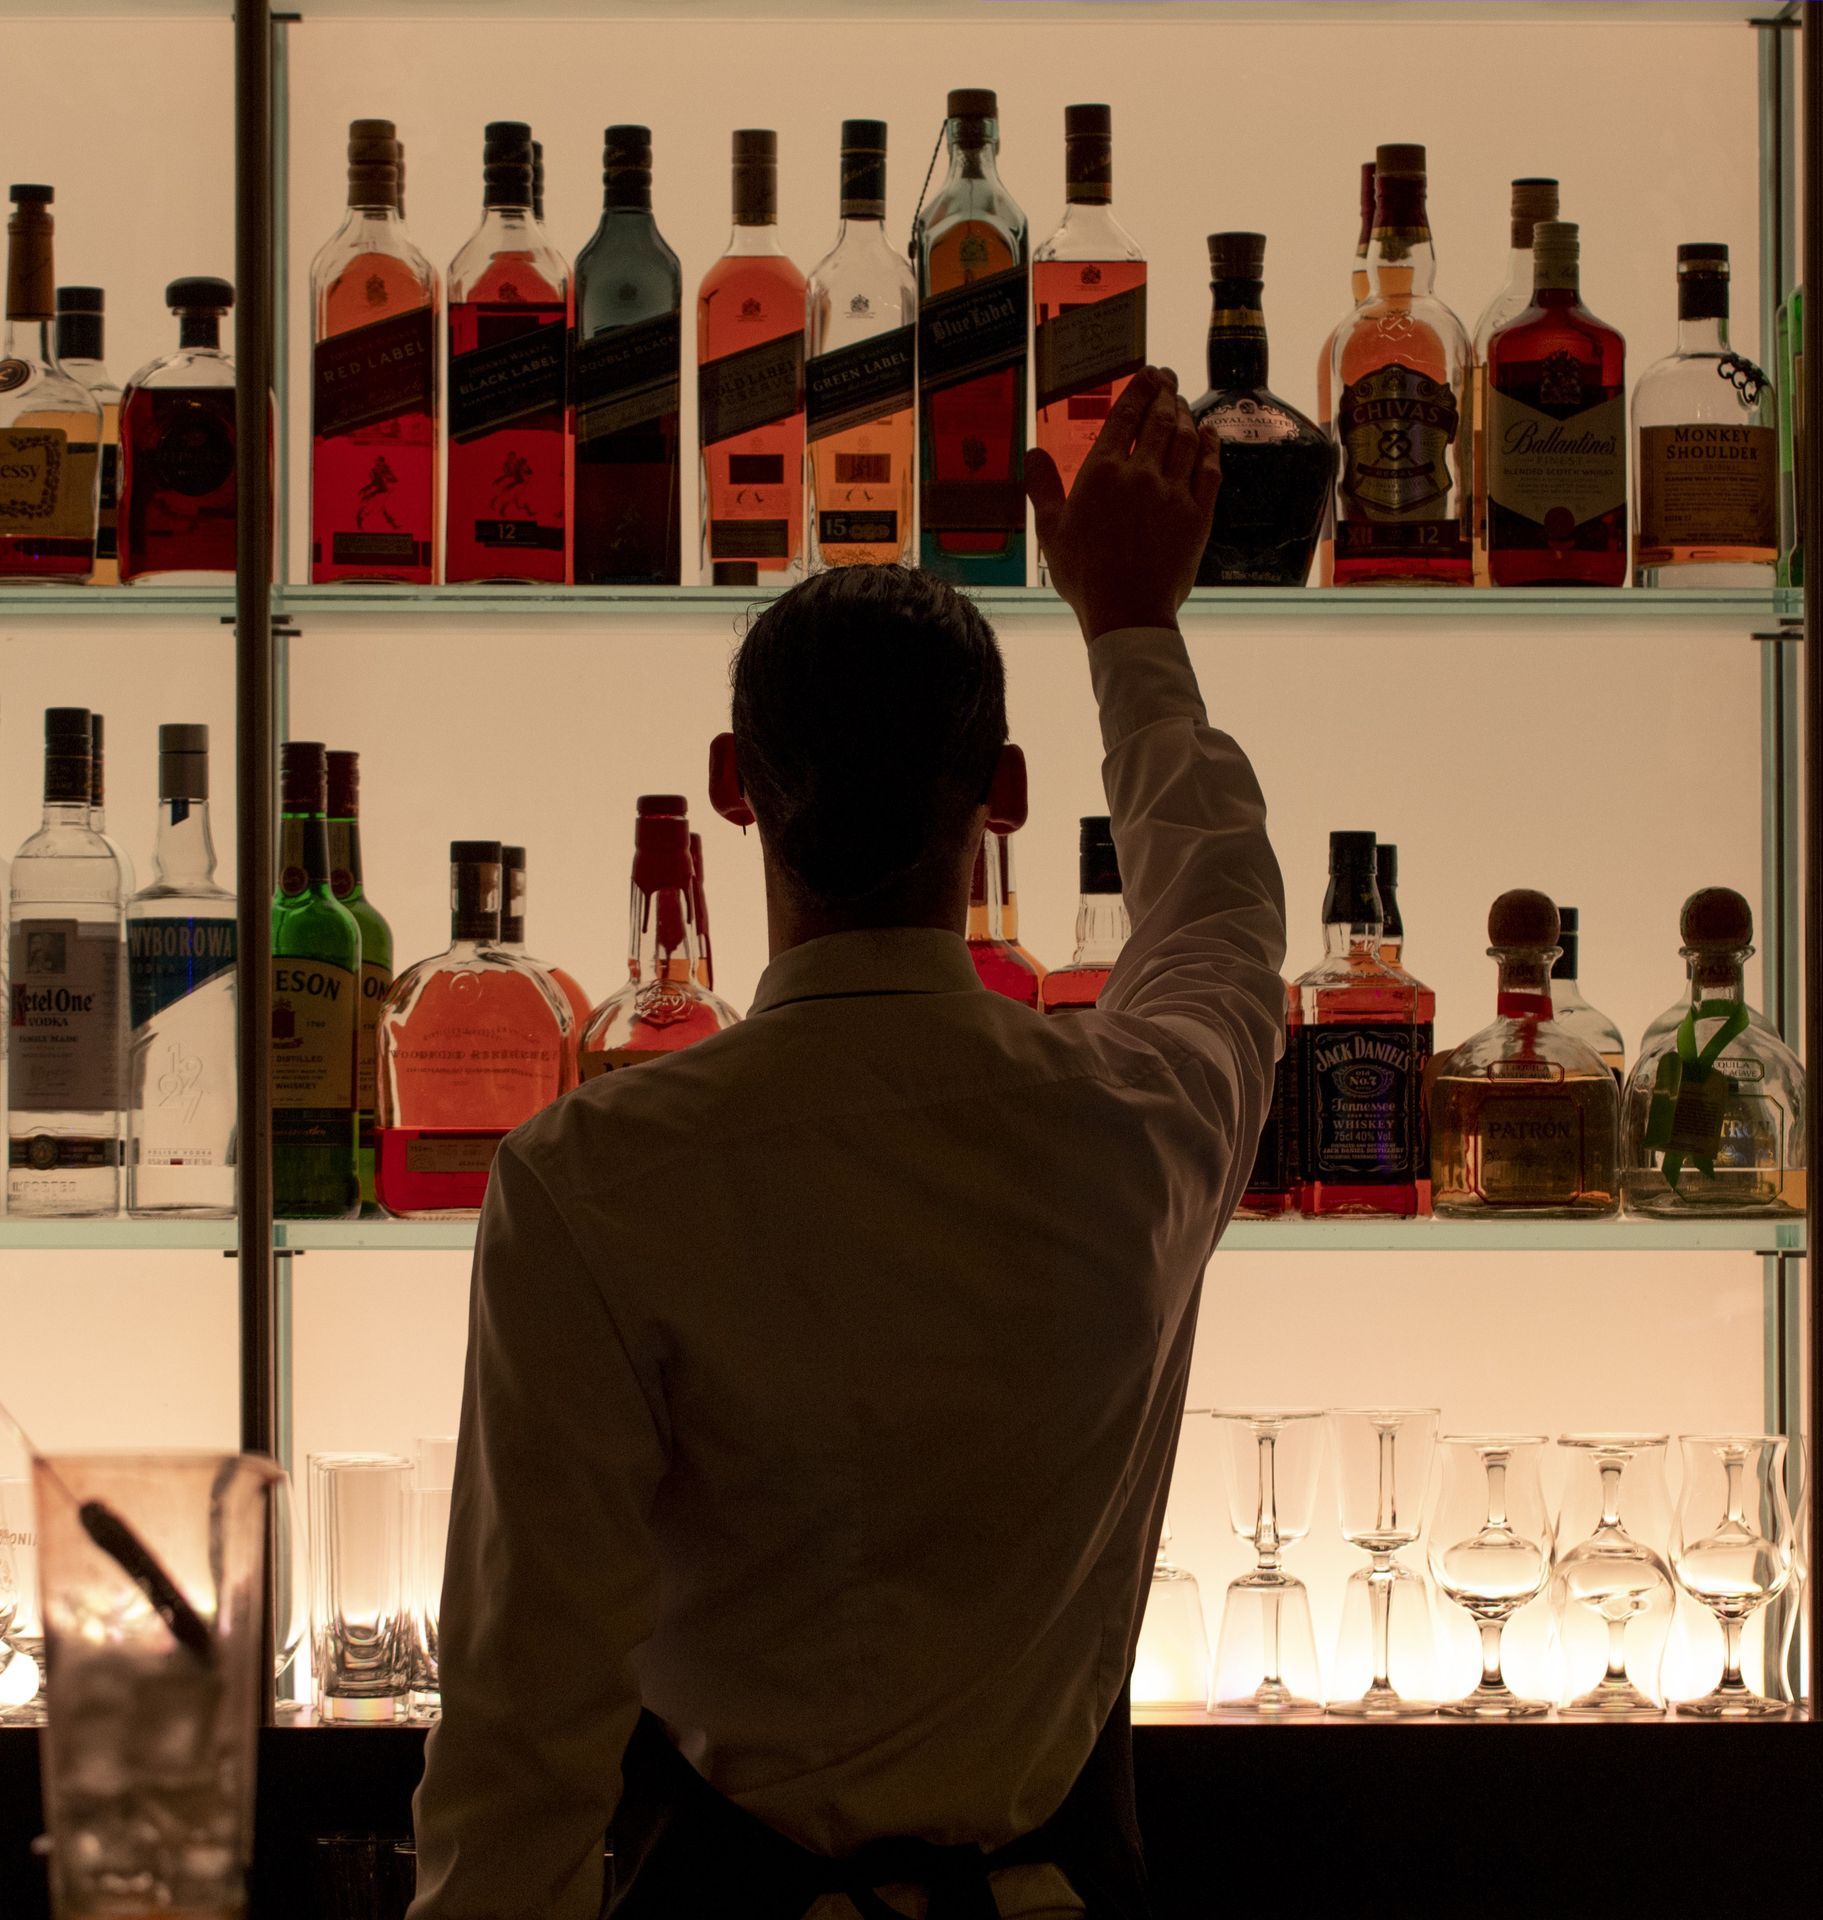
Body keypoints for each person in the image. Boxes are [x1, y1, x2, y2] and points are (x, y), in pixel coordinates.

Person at [409, 367, 1287, 1919]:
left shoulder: (590, 1175)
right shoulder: (1142, 1122)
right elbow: (1219, 913)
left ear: (733, 791)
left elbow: (520, 1734)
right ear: (1003, 801)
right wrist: (1130, 626)